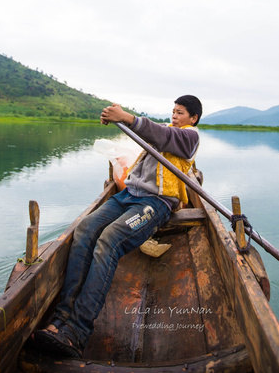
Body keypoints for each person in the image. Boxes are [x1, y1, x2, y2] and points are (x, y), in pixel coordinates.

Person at [33, 94, 202, 358]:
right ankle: (60, 318)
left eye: (180, 113)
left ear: (193, 118)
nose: (174, 116)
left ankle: (76, 332)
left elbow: (162, 136)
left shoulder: (190, 138)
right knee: (85, 229)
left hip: (156, 203)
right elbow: (151, 135)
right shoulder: (165, 132)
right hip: (128, 195)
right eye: (173, 111)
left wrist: (127, 118)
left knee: (109, 239)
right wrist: (118, 122)